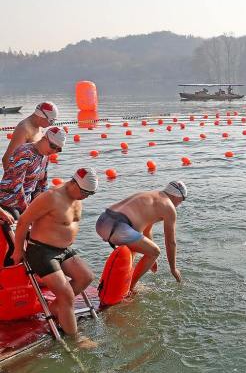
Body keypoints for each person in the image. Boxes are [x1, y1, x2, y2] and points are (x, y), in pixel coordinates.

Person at [12, 168, 98, 340]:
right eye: (84, 193)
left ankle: (58, 307)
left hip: (62, 250)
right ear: (74, 183)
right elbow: (23, 221)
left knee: (86, 277)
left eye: (90, 194)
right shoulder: (50, 197)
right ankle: (75, 338)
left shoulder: (76, 198)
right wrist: (18, 249)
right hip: (41, 251)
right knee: (66, 293)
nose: (86, 197)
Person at [96, 181, 187, 291]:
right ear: (176, 195)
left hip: (102, 221)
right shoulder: (169, 207)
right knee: (156, 252)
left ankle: (114, 285)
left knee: (134, 253)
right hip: (118, 228)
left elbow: (147, 231)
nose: (179, 204)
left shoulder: (153, 196)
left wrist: (150, 259)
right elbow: (170, 242)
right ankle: (129, 288)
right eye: (182, 200)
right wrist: (173, 269)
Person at [0, 126, 66, 228]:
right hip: (9, 202)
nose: (54, 151)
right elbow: (16, 186)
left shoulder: (45, 156)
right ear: (44, 138)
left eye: (58, 149)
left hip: (26, 201)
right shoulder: (25, 152)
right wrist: (28, 210)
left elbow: (42, 183)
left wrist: (45, 206)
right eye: (52, 146)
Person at [2, 101, 59, 171]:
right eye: (51, 121)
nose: (52, 124)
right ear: (41, 116)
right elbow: (6, 160)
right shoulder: (24, 129)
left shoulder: (40, 127)